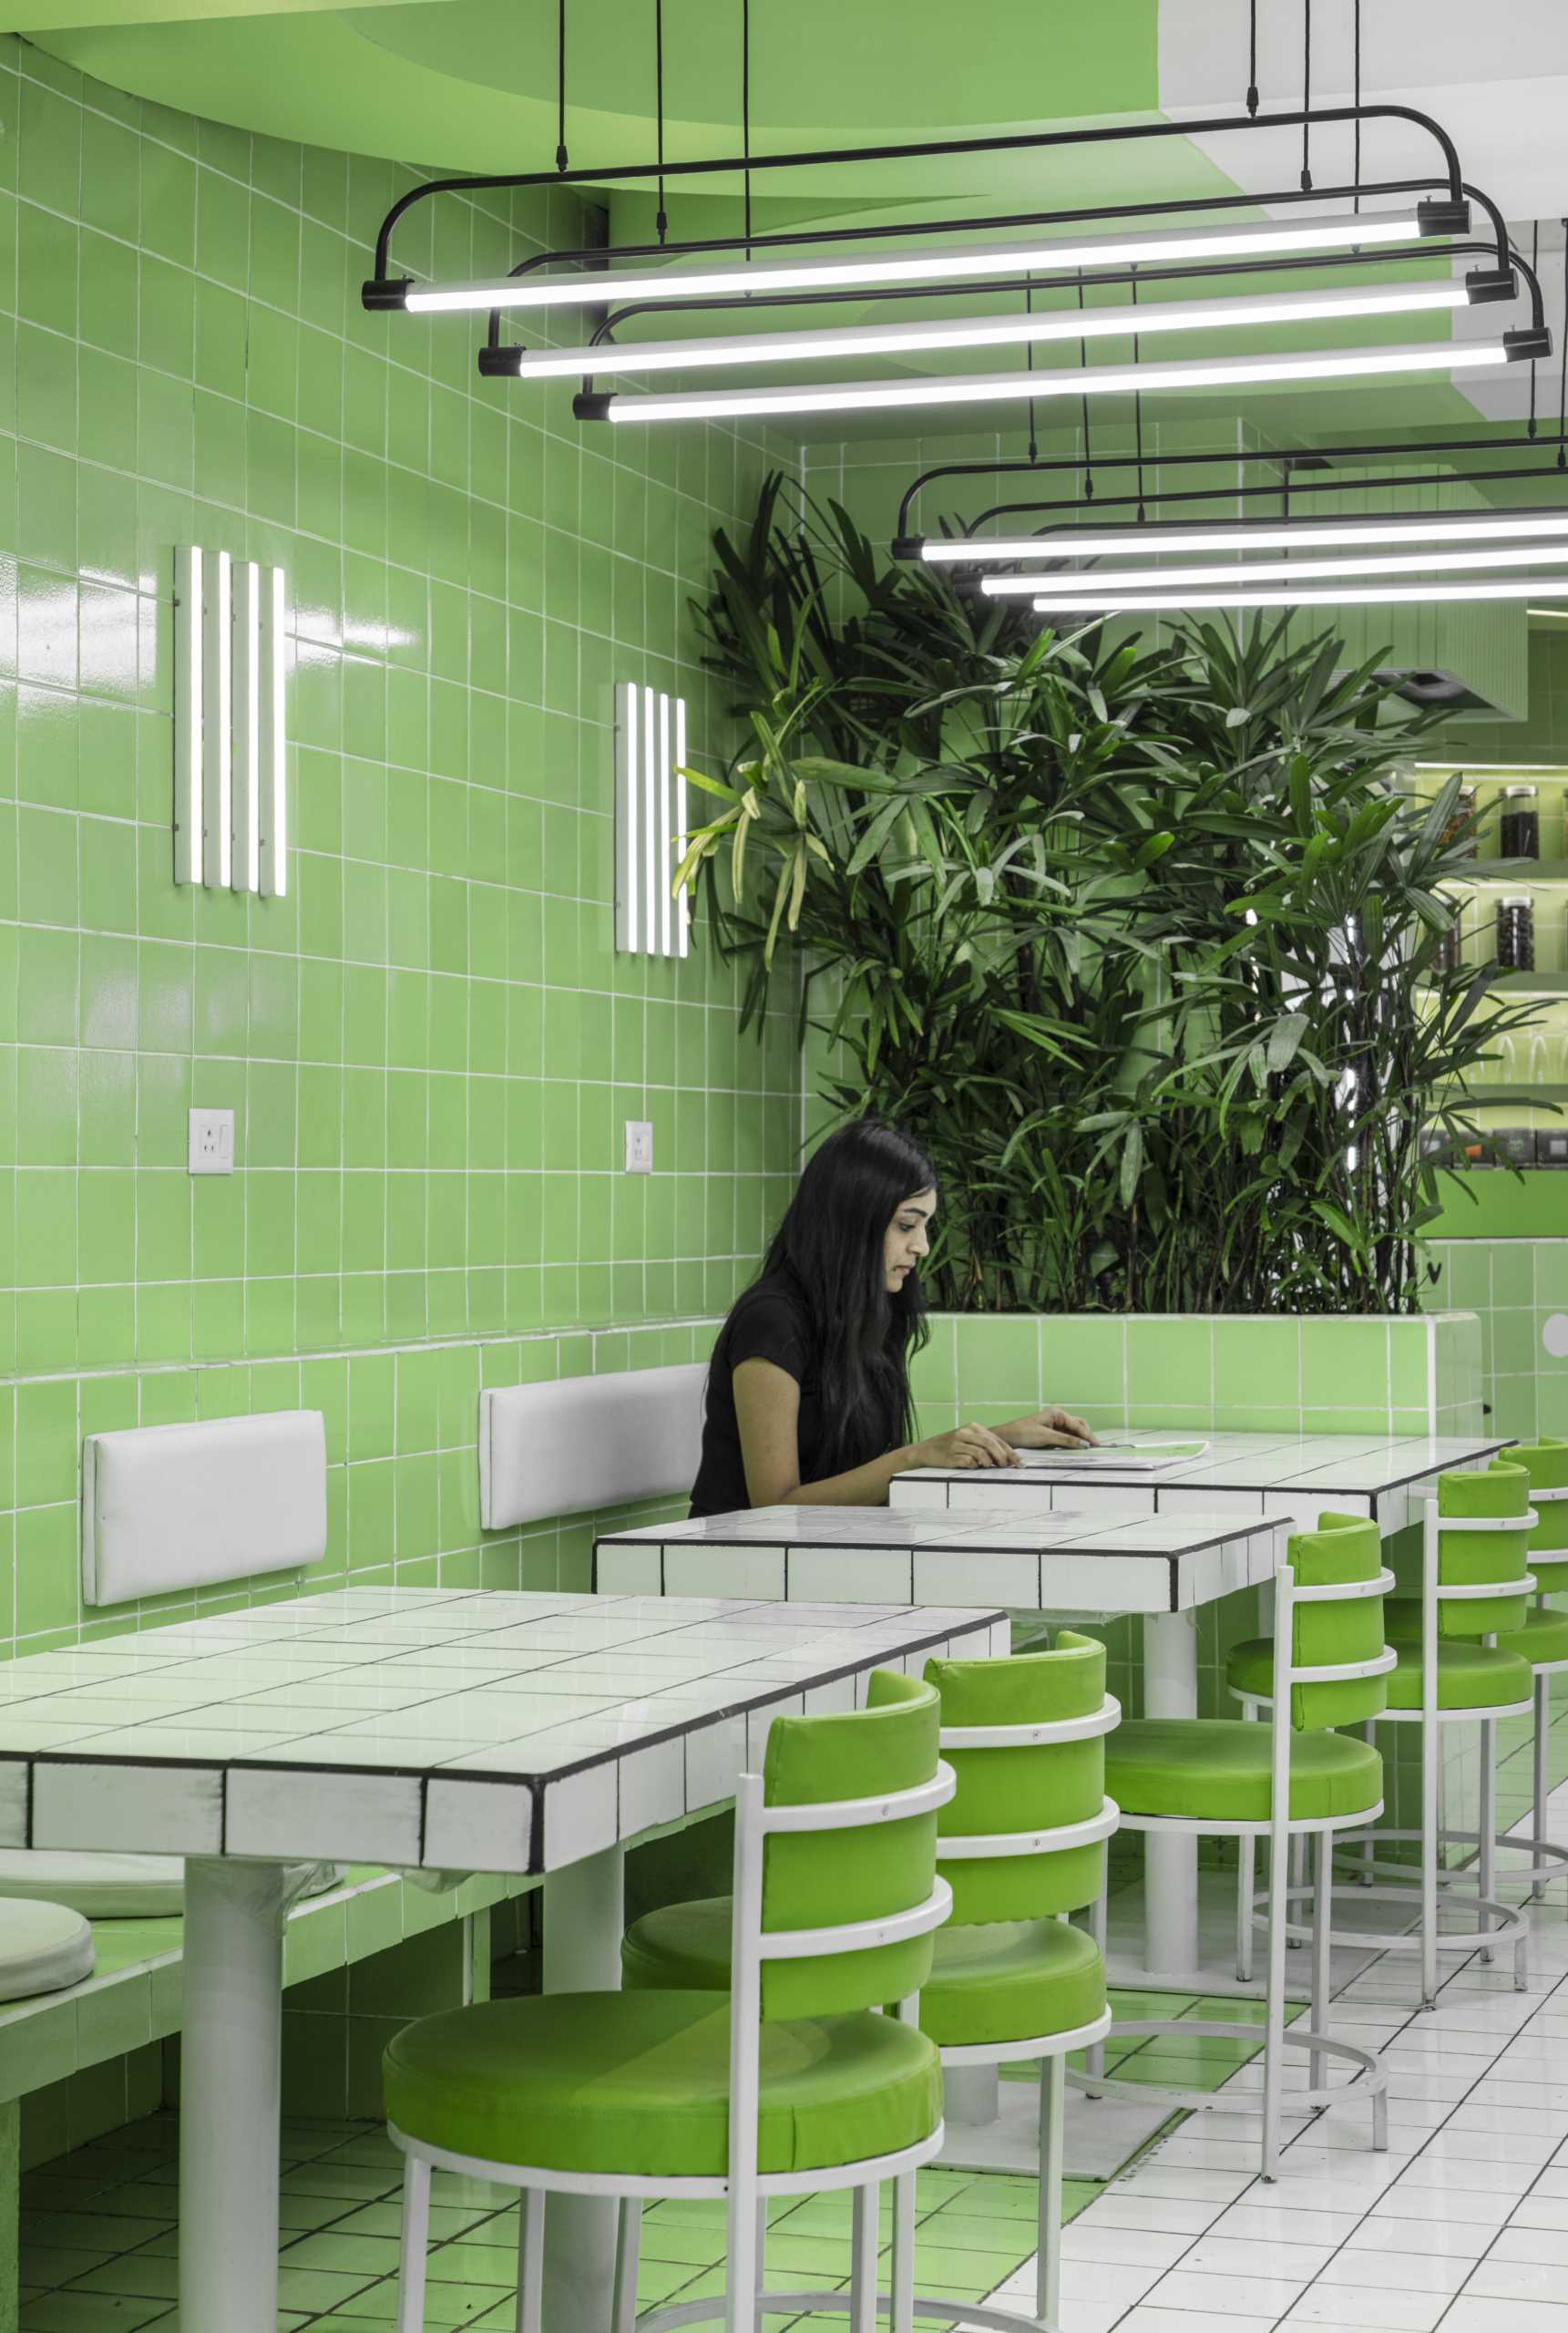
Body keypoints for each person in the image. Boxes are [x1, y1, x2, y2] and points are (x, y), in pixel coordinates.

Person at [689, 1117, 1094, 1516]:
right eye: (906, 1226)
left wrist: (999, 1441)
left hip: (826, 1555)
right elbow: (774, 1507)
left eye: (924, 1227)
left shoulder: (874, 1312)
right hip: (737, 1564)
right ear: (851, 1221)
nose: (923, 1247)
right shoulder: (771, 1322)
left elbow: (858, 1474)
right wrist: (917, 1456)